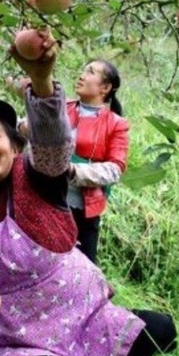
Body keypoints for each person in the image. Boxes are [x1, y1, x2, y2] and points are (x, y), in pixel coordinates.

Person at [0, 32, 175, 356]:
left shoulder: (36, 174)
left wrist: (40, 81)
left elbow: (53, 144)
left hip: (79, 315)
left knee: (161, 329)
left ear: (15, 147)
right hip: (11, 335)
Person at [64, 59, 128, 264]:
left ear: (106, 87)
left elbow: (115, 169)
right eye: (82, 70)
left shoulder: (116, 124)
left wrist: (74, 171)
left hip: (83, 209)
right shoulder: (61, 108)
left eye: (90, 72)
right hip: (48, 199)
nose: (82, 75)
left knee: (83, 268)